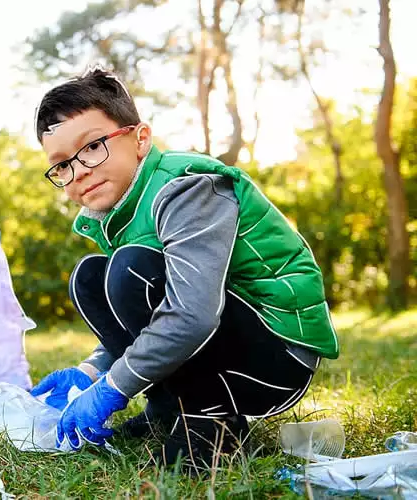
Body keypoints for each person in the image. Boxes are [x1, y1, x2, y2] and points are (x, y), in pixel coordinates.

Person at [28, 67, 339, 466]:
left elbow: (191, 314)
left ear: (140, 139)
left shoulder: (187, 187)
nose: (79, 171)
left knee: (129, 270)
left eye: (91, 147)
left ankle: (211, 426)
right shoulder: (122, 208)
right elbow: (144, 316)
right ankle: (168, 411)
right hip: (227, 334)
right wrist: (91, 371)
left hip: (278, 355)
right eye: (61, 165)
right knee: (91, 278)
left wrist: (113, 387)